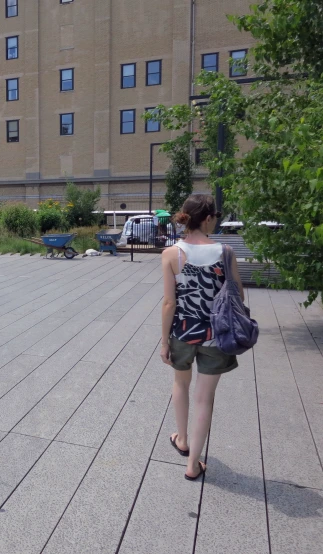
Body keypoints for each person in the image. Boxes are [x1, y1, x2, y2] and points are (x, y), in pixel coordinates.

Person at [160, 194, 244, 481]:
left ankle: (181, 440)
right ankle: (193, 464)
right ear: (208, 218)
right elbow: (238, 297)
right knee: (204, 398)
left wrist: (163, 341)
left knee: (180, 385)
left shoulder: (172, 254)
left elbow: (169, 303)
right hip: (216, 336)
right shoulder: (226, 252)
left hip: (182, 332)